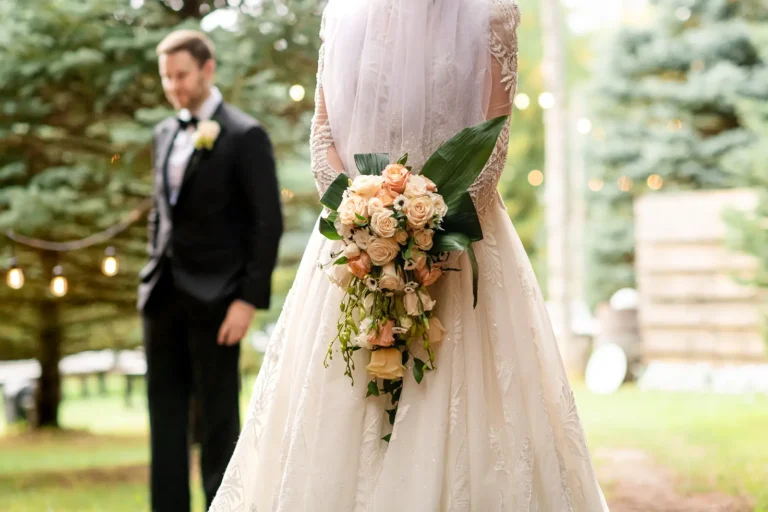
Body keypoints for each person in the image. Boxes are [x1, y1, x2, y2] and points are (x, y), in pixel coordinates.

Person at [211, 1, 609, 510]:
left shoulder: (490, 12)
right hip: (352, 249)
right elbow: (322, 138)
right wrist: (359, 218)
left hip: (458, 254)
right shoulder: (342, 12)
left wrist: (424, 235)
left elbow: (492, 144)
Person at [137, 30, 283, 512]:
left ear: (207, 69)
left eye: (181, 75)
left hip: (219, 302)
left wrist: (247, 301)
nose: (174, 86)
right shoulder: (163, 132)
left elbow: (267, 223)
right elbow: (162, 213)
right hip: (161, 299)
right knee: (165, 420)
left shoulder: (246, 135)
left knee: (219, 424)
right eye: (166, 78)